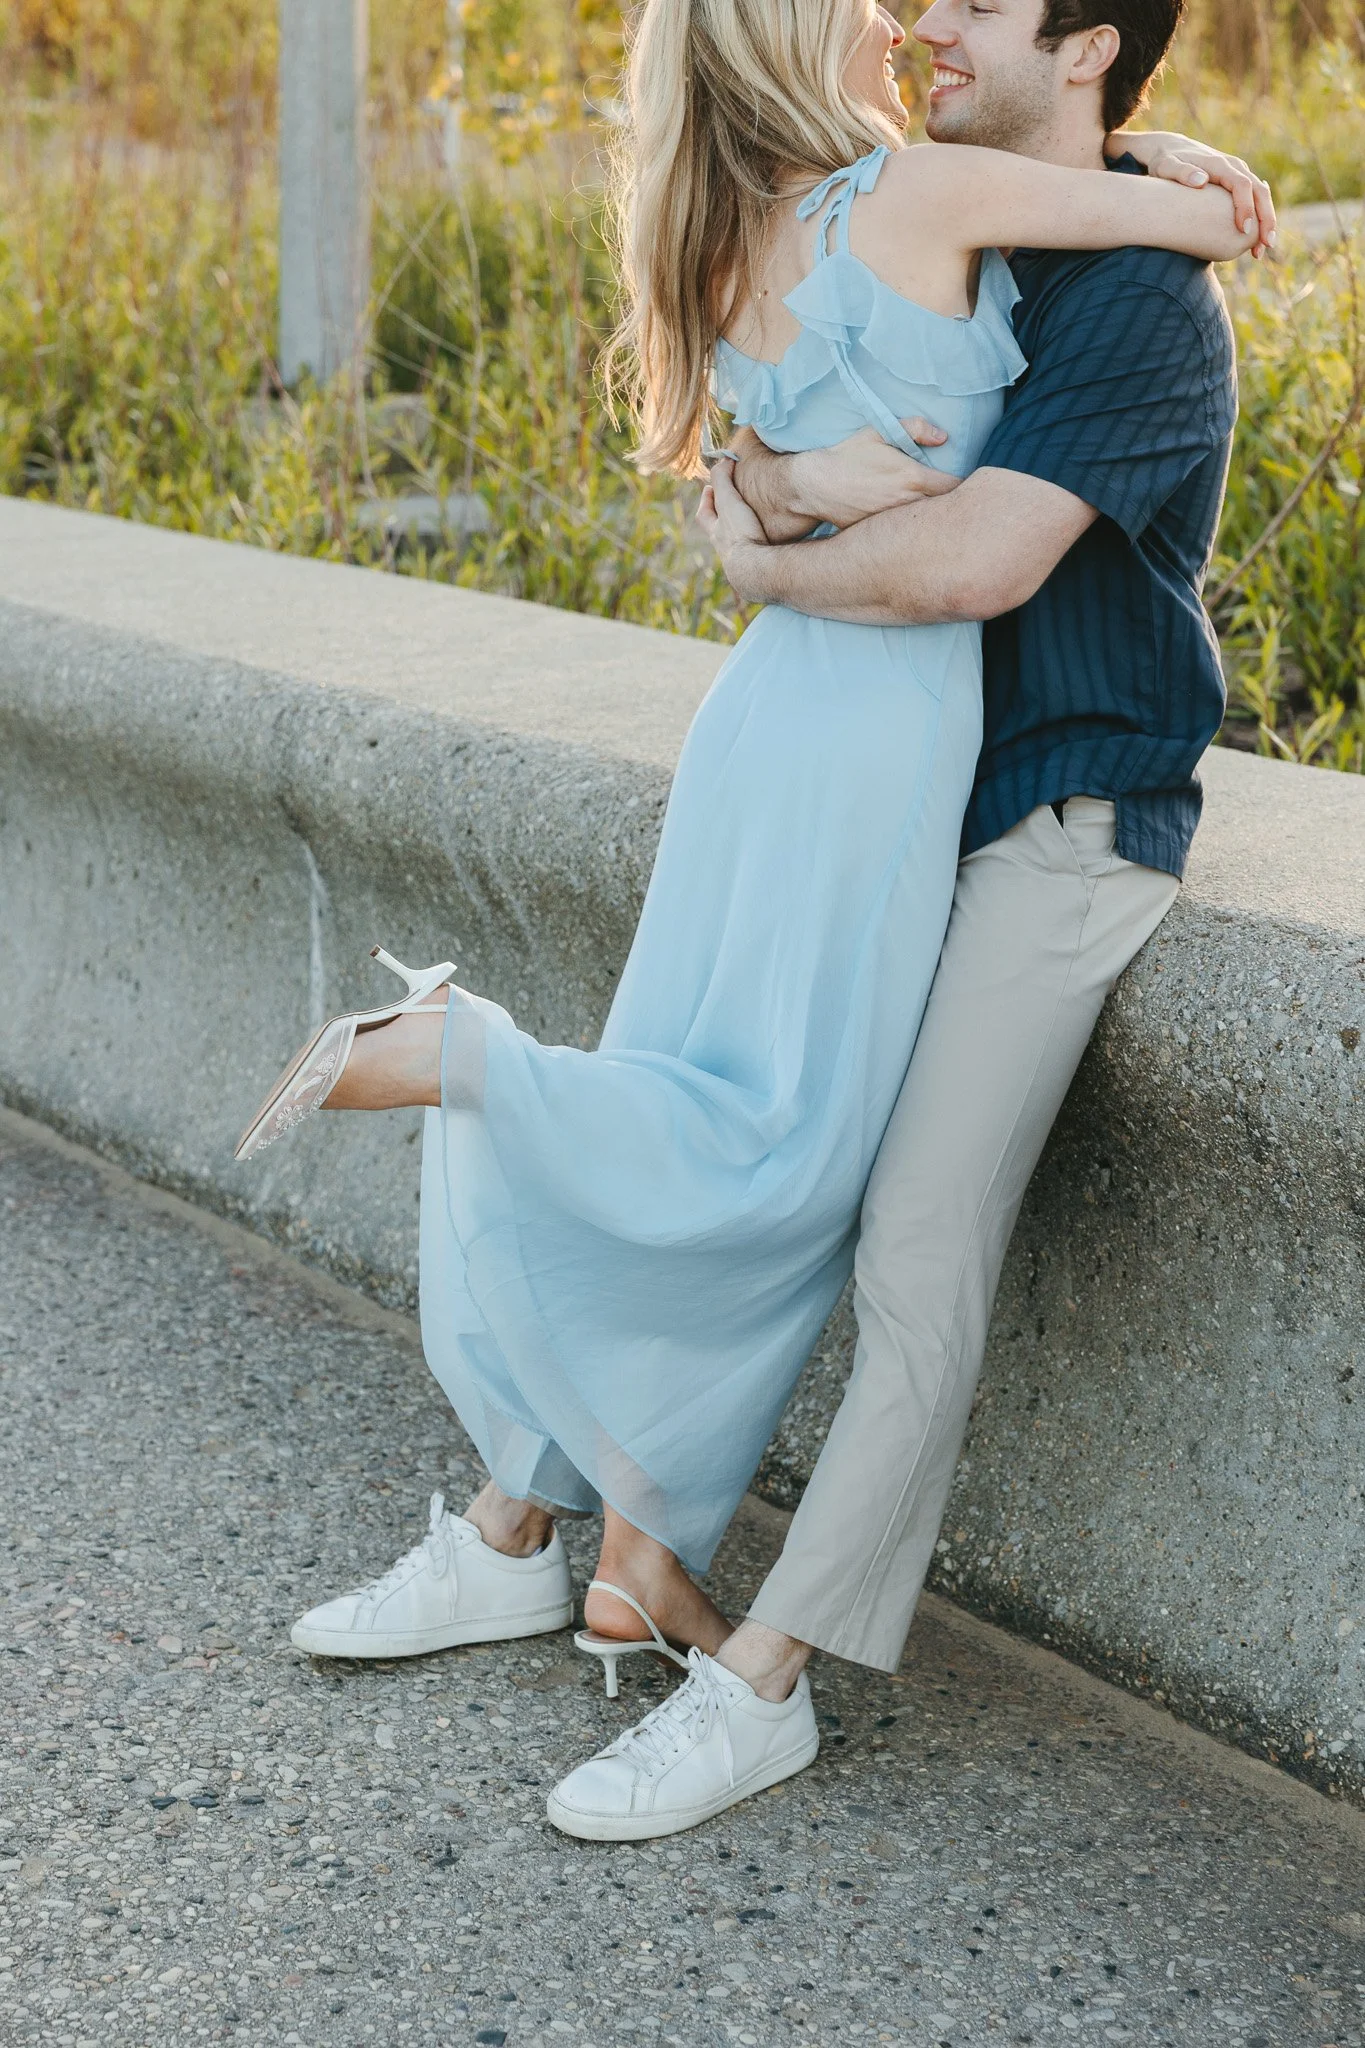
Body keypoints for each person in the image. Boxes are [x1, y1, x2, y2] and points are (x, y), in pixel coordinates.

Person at [236, 0, 1264, 1841]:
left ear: (1089, 45)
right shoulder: (963, 209)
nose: (921, 17)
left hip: (1057, 832)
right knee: (734, 1128)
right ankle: (531, 1533)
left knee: (908, 1246)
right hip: (893, 814)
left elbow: (963, 562)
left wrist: (771, 522)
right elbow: (810, 431)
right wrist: (775, 500)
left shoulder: (1137, 307)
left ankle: (758, 1683)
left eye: (973, 2)